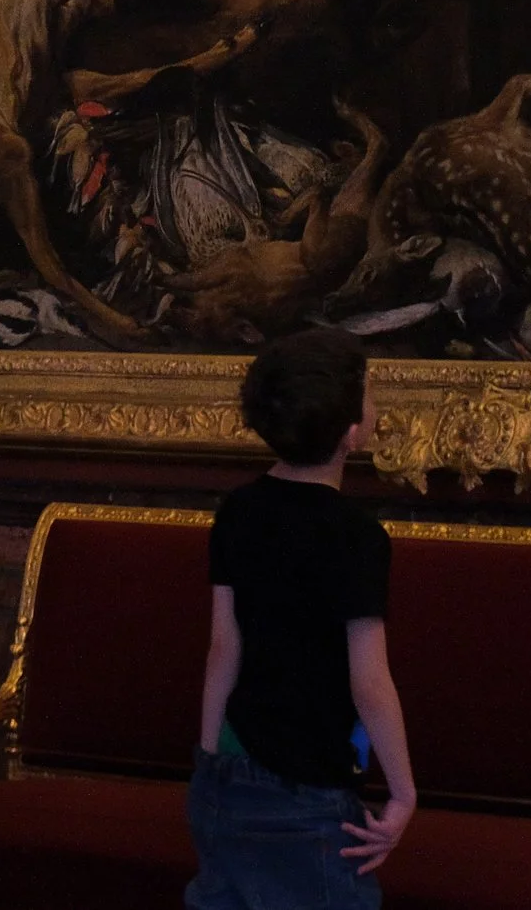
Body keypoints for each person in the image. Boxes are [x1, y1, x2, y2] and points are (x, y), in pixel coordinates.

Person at [187, 331, 413, 910]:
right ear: (351, 433)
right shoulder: (357, 536)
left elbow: (223, 646)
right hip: (309, 790)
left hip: (230, 765)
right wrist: (403, 794)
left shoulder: (238, 510)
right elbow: (369, 682)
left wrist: (208, 758)